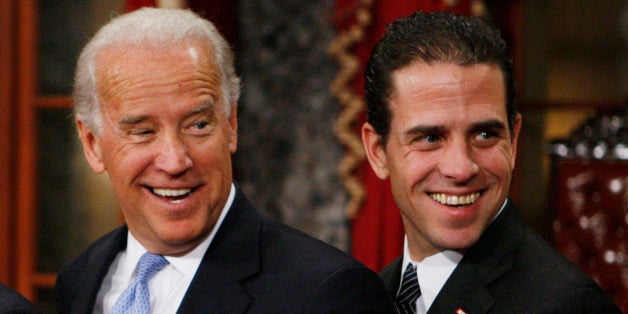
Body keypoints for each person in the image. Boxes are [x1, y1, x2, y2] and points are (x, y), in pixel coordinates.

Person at [55, 7, 395, 313]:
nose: (175, 161)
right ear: (92, 143)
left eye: (198, 125)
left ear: (231, 125)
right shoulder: (80, 281)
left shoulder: (326, 294)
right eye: (143, 131)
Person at [361, 11, 621, 314]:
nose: (461, 168)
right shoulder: (369, 296)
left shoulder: (568, 306)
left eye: (485, 134)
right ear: (378, 152)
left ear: (513, 140)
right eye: (430, 138)